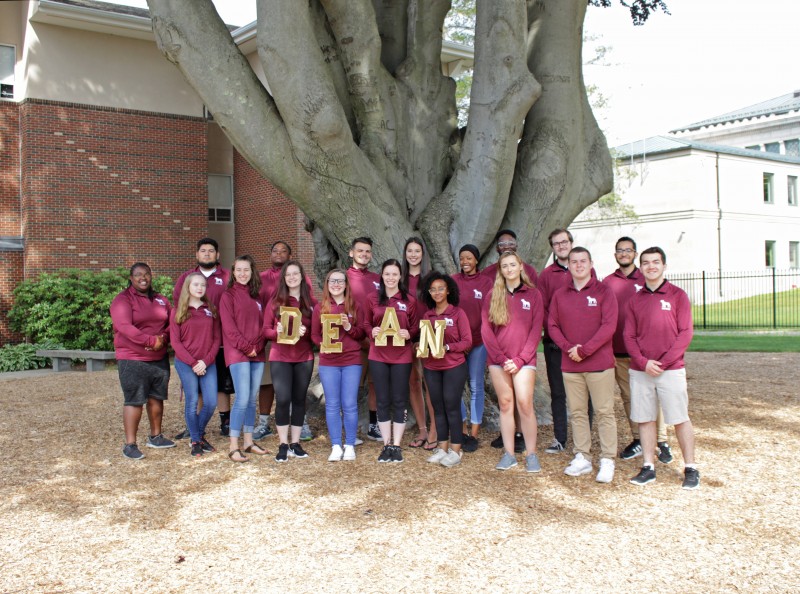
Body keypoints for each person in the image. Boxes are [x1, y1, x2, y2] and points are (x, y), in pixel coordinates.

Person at [625, 247, 699, 489]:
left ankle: (691, 467)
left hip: (671, 369)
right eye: (645, 263)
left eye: (655, 262)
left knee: (679, 418)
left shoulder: (677, 295)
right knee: (645, 419)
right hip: (641, 370)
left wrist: (663, 362)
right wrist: (644, 362)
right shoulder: (636, 300)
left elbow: (685, 333)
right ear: (641, 267)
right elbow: (629, 335)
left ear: (664, 266)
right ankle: (648, 466)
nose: (650, 267)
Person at [548, 247, 618, 483]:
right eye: (574, 261)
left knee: (604, 412)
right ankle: (583, 457)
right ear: (568, 265)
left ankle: (608, 459)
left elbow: (609, 326)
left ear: (591, 263)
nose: (578, 265)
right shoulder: (560, 294)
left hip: (599, 363)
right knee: (577, 413)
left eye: (583, 261)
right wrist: (569, 348)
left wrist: (585, 350)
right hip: (571, 364)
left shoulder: (604, 291)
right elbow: (553, 325)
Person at [602, 237, 672, 463]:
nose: (624, 254)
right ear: (615, 255)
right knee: (628, 397)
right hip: (617, 350)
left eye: (628, 250)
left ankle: (661, 440)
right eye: (620, 250)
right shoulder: (608, 281)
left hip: (643, 353)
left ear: (635, 254)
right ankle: (638, 439)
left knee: (654, 396)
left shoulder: (646, 278)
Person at [482, 251, 544, 472]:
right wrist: (501, 358)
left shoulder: (533, 295)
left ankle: (531, 454)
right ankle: (509, 454)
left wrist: (519, 360)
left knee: (525, 405)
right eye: (504, 266)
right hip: (498, 360)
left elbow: (536, 330)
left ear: (520, 266)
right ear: (501, 270)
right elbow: (486, 330)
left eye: (512, 265)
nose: (509, 269)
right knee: (506, 404)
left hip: (524, 360)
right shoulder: (492, 295)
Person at [110, 263, 175, 460]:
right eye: (138, 275)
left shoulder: (161, 300)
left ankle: (155, 436)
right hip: (133, 358)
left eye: (146, 274)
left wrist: (162, 338)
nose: (143, 278)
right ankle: (130, 444)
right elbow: (124, 326)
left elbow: (172, 322)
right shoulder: (122, 300)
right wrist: (150, 341)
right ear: (131, 278)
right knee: (135, 399)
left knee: (157, 397)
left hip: (158, 357)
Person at [172, 238, 232, 439]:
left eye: (211, 251)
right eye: (203, 251)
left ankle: (225, 420)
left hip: (220, 341)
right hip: (193, 344)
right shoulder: (186, 277)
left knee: (221, 385)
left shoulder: (226, 277)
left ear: (218, 255)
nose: (207, 254)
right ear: (197, 254)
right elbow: (178, 305)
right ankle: (195, 428)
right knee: (196, 389)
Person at [255, 241, 316, 442]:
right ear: (284, 278)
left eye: (295, 274)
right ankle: (283, 443)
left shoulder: (311, 304)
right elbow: (266, 331)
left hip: (304, 356)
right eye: (288, 275)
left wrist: (305, 332)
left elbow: (317, 334)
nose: (291, 278)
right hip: (280, 356)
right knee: (283, 399)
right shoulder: (275, 303)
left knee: (299, 399)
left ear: (302, 278)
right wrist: (277, 332)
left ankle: (296, 442)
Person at [365, 259, 419, 463]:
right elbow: (365, 323)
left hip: (401, 356)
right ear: (382, 275)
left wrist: (409, 333)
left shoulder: (409, 301)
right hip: (378, 355)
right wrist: (372, 331)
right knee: (382, 400)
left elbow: (415, 327)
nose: (390, 278)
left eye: (394, 274)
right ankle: (386, 443)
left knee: (399, 400)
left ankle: (396, 444)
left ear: (400, 276)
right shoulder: (372, 298)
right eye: (387, 274)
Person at [418, 272, 472, 467]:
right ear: (428, 293)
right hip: (431, 367)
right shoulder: (428, 315)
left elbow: (467, 342)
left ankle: (456, 451)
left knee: (451, 405)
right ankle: (442, 448)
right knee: (437, 407)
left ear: (448, 290)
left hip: (454, 366)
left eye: (441, 288)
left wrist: (447, 347)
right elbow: (426, 341)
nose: (437, 292)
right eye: (433, 289)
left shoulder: (457, 313)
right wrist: (421, 347)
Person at [311, 269, 365, 461]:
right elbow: (314, 335)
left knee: (349, 404)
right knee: (332, 404)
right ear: (327, 284)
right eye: (332, 281)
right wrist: (324, 344)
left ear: (346, 284)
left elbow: (362, 333)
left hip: (351, 360)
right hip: (329, 362)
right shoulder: (321, 307)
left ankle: (349, 444)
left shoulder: (354, 306)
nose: (336, 284)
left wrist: (349, 327)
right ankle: (336, 444)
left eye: (340, 281)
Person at [219, 255, 268, 463]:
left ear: (252, 271)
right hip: (238, 353)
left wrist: (257, 346)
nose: (242, 274)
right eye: (238, 270)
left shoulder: (257, 297)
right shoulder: (227, 296)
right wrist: (248, 348)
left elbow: (264, 326)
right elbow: (229, 329)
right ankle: (233, 446)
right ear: (233, 271)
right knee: (241, 398)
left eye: (246, 270)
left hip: (257, 353)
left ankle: (248, 442)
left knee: (251, 399)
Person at [170, 273, 221, 457]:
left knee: (211, 402)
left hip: (208, 362)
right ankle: (196, 441)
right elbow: (175, 342)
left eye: (203, 285)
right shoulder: (177, 310)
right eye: (196, 284)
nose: (200, 288)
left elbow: (216, 339)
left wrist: (205, 361)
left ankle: (197, 435)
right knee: (192, 402)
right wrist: (193, 363)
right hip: (186, 363)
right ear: (188, 287)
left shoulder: (211, 309)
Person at [536, 228, 576, 454]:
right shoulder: (547, 275)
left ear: (571, 243)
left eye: (564, 242)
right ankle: (560, 438)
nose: (561, 246)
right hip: (555, 344)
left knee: (583, 394)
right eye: (556, 244)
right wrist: (558, 336)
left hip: (580, 346)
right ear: (552, 248)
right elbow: (542, 309)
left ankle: (583, 440)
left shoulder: (582, 267)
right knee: (558, 393)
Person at [452, 244, 493, 452]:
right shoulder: (453, 281)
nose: (465, 262)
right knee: (457, 387)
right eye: (462, 258)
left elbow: (489, 314)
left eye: (469, 258)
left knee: (476, 386)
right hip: (457, 344)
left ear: (476, 260)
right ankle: (460, 427)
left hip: (478, 343)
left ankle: (474, 433)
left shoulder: (486, 283)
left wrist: (477, 338)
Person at [402, 237, 437, 451]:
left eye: (417, 251)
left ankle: (435, 430)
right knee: (413, 382)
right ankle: (423, 429)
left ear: (423, 254)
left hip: (428, 334)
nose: (413, 254)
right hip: (406, 335)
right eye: (410, 251)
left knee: (430, 383)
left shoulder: (431, 278)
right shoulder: (400, 278)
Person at [347, 237, 382, 441]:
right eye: (360, 251)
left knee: (374, 384)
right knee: (353, 384)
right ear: (351, 253)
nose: (364, 254)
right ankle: (349, 429)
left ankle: (373, 425)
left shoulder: (378, 278)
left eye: (368, 251)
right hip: (352, 339)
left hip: (376, 340)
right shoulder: (343, 277)